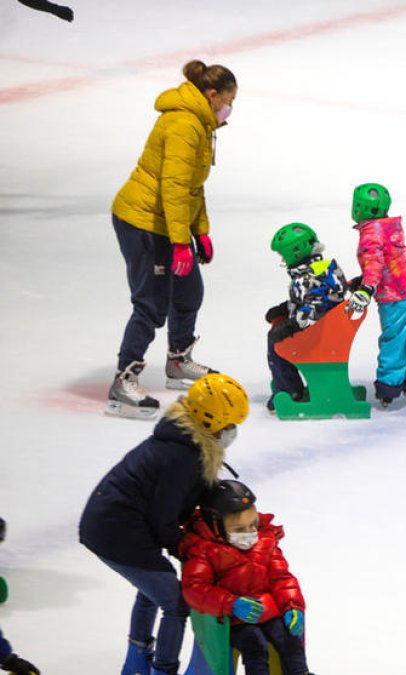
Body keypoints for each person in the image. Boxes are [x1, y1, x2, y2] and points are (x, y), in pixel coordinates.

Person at [79, 373, 249, 675]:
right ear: (210, 421)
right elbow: (164, 518)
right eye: (230, 425)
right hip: (116, 531)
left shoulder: (184, 441)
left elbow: (181, 499)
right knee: (176, 603)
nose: (233, 432)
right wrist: (190, 550)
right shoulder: (182, 456)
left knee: (153, 588)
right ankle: (163, 669)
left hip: (109, 523)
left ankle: (136, 659)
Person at [107, 59, 238, 419]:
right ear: (211, 95)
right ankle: (123, 380)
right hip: (143, 220)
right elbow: (174, 187)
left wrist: (200, 231)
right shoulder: (184, 124)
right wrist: (181, 243)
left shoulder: (201, 122)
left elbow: (192, 188)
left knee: (189, 291)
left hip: (169, 220)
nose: (230, 109)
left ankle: (178, 360)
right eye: (228, 100)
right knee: (151, 304)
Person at [179, 480, 310, 675]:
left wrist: (292, 606)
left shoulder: (265, 541)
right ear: (216, 526)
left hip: (267, 612)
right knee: (255, 646)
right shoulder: (204, 550)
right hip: (234, 620)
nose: (250, 534)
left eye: (253, 525)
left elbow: (282, 578)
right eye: (239, 530)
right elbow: (195, 589)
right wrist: (231, 604)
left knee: (290, 641)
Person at [344, 183, 406, 406]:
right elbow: (390, 261)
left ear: (359, 208)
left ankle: (388, 387)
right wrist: (360, 282)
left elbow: (375, 263)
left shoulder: (370, 234)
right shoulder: (391, 228)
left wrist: (366, 288)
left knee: (394, 342)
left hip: (395, 299)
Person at [265, 222, 349, 410]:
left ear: (295, 252)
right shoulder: (318, 269)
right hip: (323, 329)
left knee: (276, 341)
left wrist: (291, 325)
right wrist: (284, 309)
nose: (282, 260)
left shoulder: (311, 275)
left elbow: (316, 307)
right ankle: (286, 383)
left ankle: (288, 389)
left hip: (322, 335)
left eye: (282, 256)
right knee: (277, 333)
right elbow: (307, 301)